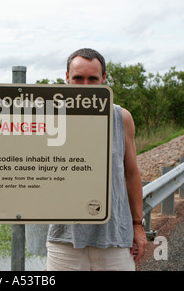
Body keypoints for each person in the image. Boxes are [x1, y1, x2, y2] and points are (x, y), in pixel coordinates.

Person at [46, 48, 147, 271]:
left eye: (93, 79)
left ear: (103, 78)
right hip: (64, 240)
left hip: (114, 239)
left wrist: (138, 226)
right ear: (66, 78)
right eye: (78, 78)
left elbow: (131, 173)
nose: (85, 86)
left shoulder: (122, 118)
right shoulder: (49, 117)